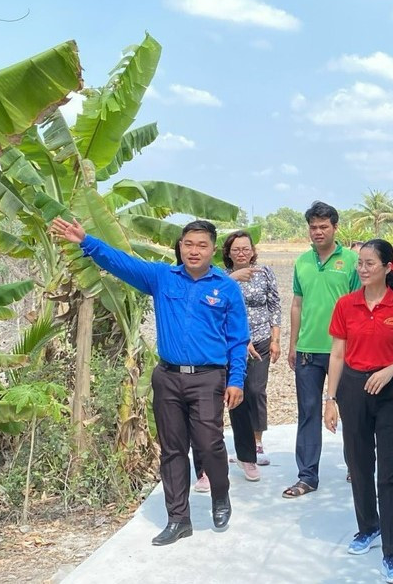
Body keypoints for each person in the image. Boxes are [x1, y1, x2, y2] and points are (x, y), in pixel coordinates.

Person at [50, 217, 247, 546]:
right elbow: (122, 263)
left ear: (213, 249)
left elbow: (237, 339)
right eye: (188, 244)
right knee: (172, 450)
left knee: (209, 443)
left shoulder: (226, 287)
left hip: (208, 377)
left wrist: (236, 379)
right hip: (167, 376)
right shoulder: (161, 278)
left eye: (202, 245)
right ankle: (178, 519)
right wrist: (86, 241)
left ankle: (220, 497)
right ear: (180, 247)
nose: (194, 251)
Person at [324, 239, 393, 584]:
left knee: (392, 474)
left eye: (369, 263)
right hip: (352, 389)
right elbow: (337, 355)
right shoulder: (346, 305)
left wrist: (390, 370)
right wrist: (330, 399)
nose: (362, 269)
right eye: (360, 263)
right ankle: (368, 527)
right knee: (358, 463)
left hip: (391, 391)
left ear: (385, 267)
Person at [192, 231, 280, 491]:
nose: (241, 252)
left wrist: (275, 338)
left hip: (260, 341)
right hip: (226, 347)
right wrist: (232, 280)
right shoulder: (218, 275)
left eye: (246, 248)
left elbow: (274, 305)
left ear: (253, 251)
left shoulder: (264, 273)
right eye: (236, 249)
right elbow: (207, 302)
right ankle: (207, 466)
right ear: (228, 252)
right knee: (213, 406)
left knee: (249, 394)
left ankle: (248, 454)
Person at [284, 201, 360, 498]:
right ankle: (307, 476)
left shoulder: (352, 260)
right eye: (313, 227)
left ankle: (356, 465)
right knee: (308, 412)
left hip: (344, 348)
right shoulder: (302, 261)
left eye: (323, 227)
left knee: (352, 411)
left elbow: (358, 305)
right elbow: (297, 303)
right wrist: (293, 344)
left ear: (335, 228)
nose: (317, 232)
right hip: (307, 350)